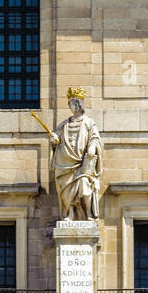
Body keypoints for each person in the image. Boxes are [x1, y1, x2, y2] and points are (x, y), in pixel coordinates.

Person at [50, 87, 102, 220]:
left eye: (73, 103)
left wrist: (91, 147)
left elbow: (95, 138)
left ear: (79, 104)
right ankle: (70, 213)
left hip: (82, 163)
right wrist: (54, 141)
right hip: (65, 163)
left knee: (85, 188)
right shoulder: (64, 124)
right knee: (66, 190)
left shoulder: (89, 122)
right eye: (69, 103)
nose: (71, 106)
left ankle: (88, 214)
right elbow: (57, 138)